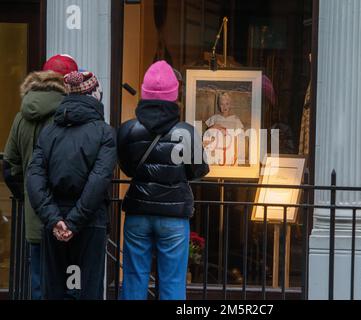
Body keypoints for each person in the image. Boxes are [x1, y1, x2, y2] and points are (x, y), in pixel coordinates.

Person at [117, 60, 209, 300]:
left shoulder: (127, 130)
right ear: (174, 95)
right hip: (174, 215)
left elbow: (127, 167)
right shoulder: (187, 132)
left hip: (138, 211)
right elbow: (198, 170)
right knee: (173, 282)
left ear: (144, 91)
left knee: (134, 278)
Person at [26, 71, 117, 300]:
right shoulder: (104, 132)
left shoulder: (49, 132)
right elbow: (98, 180)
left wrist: (55, 219)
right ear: (95, 94)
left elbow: (35, 176)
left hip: (55, 219)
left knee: (55, 289)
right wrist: (73, 222)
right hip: (90, 220)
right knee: (88, 290)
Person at [3, 54, 78, 300]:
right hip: (67, 212)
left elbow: (10, 163)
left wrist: (27, 195)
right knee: (70, 281)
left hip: (35, 213)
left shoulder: (21, 116)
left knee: (38, 281)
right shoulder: (71, 115)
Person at [204, 92, 244, 166]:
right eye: (222, 104)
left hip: (230, 152)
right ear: (219, 105)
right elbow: (207, 134)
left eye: (227, 104)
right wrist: (214, 127)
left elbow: (238, 139)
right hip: (217, 151)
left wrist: (237, 154)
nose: (224, 107)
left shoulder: (235, 119)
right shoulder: (214, 118)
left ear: (230, 105)